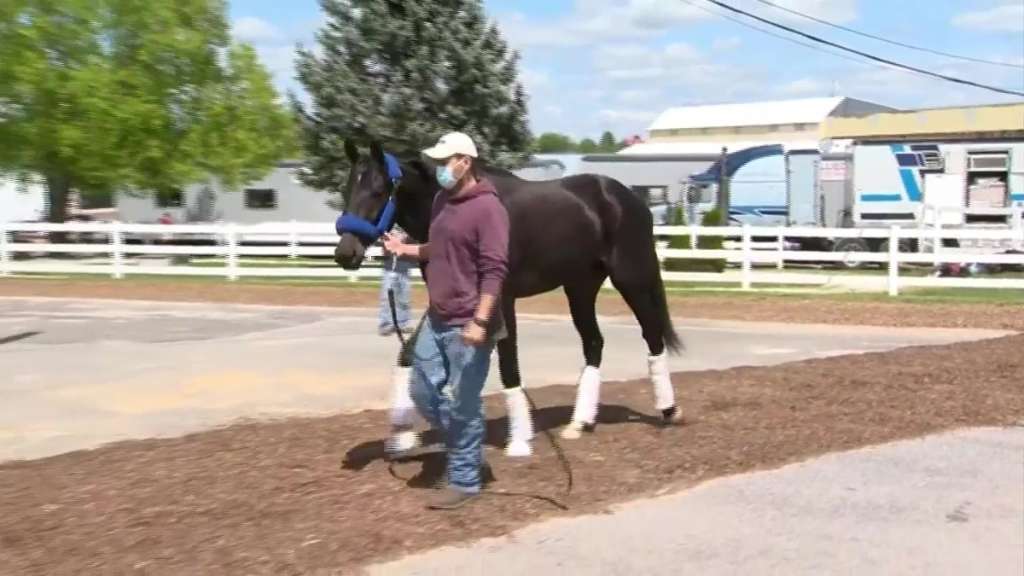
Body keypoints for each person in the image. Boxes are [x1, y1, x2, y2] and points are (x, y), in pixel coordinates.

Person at [382, 131, 509, 510]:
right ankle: (466, 450)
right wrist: (404, 249)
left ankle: (466, 480)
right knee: (422, 391)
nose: (439, 168)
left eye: (444, 161)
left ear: (464, 162)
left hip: (469, 322)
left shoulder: (489, 209)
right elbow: (440, 247)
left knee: (463, 404)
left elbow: (495, 269)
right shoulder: (442, 200)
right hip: (438, 317)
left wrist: (480, 322)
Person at [378, 226, 414, 336]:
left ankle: (402, 323)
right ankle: (385, 324)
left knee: (404, 297)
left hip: (404, 267)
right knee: (387, 297)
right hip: (390, 267)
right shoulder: (388, 227)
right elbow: (383, 243)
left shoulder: (407, 228)